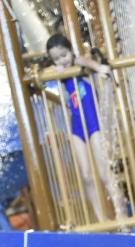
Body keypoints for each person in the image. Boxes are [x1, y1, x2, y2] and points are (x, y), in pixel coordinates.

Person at [45, 33, 115, 222]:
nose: (62, 61)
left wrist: (100, 68)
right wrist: (54, 68)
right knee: (85, 175)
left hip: (94, 124)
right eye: (56, 58)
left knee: (104, 174)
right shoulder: (60, 72)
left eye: (64, 55)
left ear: (71, 51)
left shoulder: (79, 64)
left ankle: (121, 212)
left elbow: (87, 61)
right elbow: (46, 74)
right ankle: (102, 219)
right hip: (76, 127)